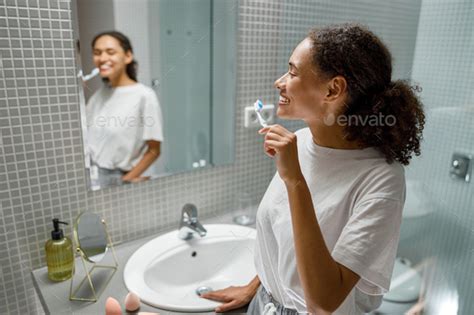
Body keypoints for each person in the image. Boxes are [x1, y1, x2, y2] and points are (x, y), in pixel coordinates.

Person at [200, 23, 425, 314]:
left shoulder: (381, 181)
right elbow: (286, 241)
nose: (279, 82)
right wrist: (258, 286)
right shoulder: (302, 142)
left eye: (293, 72)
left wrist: (294, 180)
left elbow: (323, 302)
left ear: (333, 89)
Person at [85, 31, 163, 187]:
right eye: (97, 53)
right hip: (91, 176)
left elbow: (154, 150)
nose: (102, 58)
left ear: (128, 56)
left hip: (117, 179)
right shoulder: (99, 95)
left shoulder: (144, 96)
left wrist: (125, 180)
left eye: (110, 52)